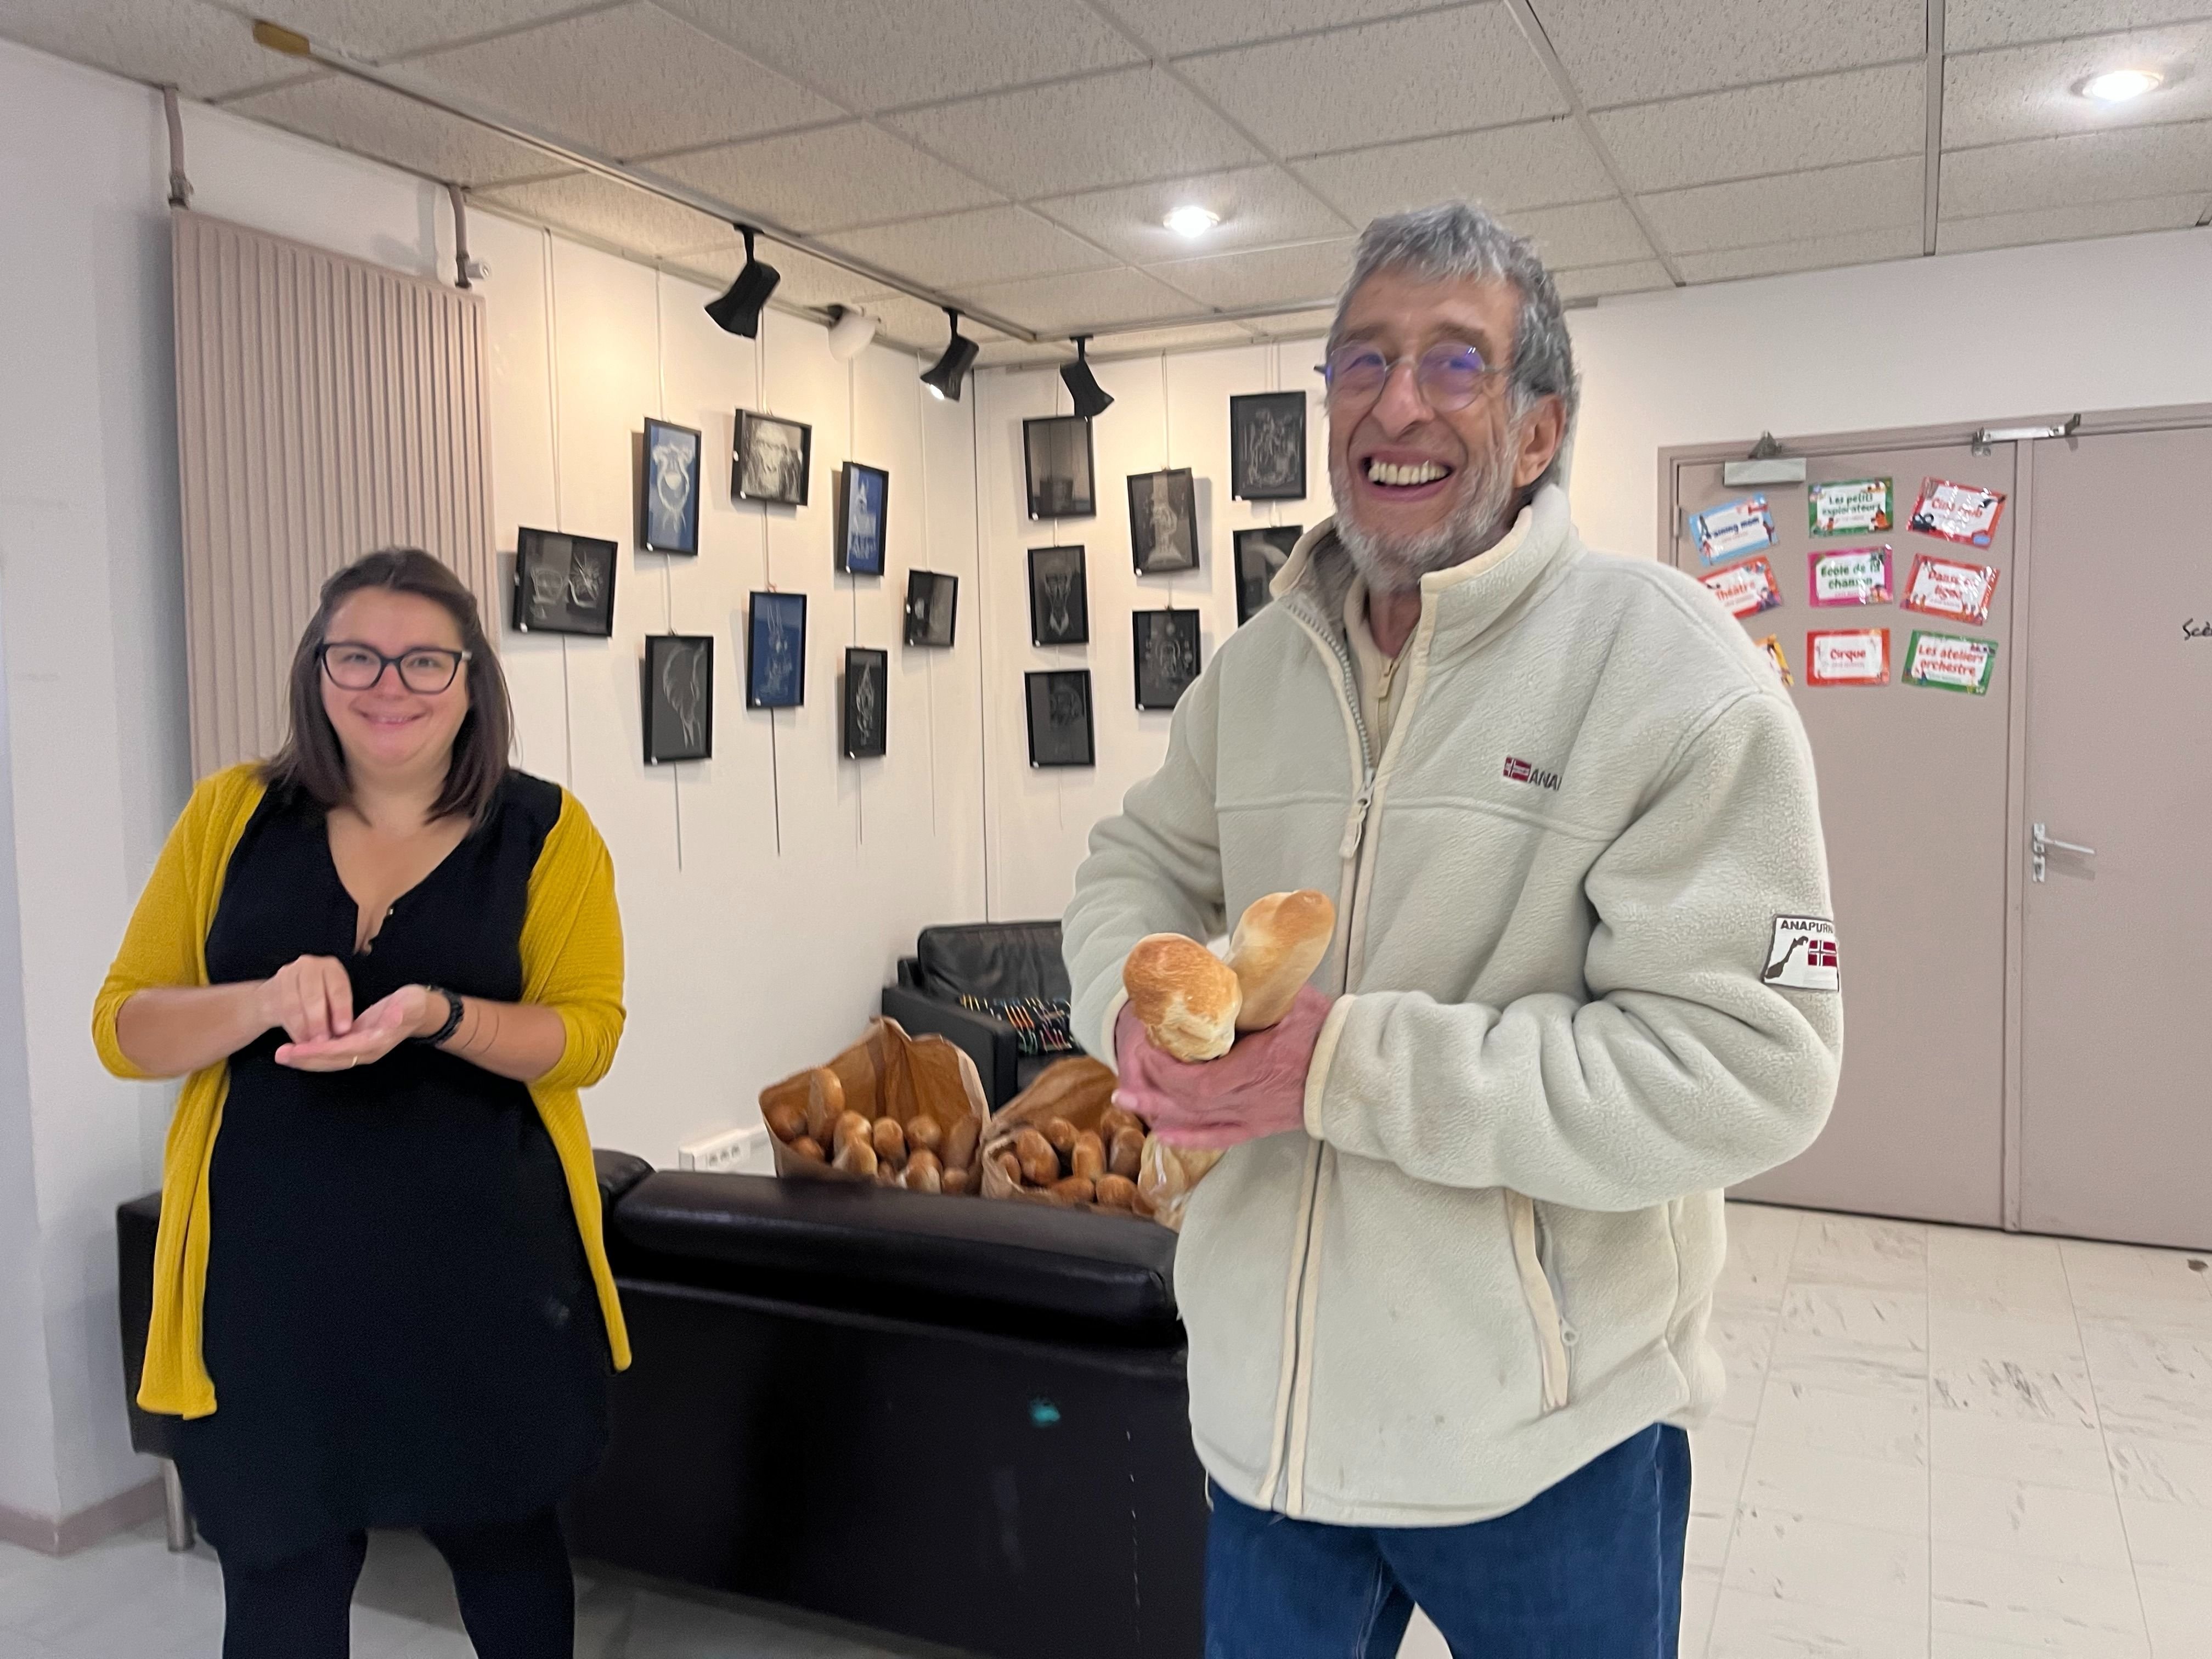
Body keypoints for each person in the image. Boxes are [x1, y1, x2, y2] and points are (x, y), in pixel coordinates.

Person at [1064, 202, 1843, 1657]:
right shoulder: (1253, 674)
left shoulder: (1675, 676)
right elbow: (1135, 867)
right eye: (1360, 361)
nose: (1396, 401)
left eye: (1454, 363)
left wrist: (1337, 1071)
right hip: (1269, 1437)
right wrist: (1128, 992)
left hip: (1545, 1452)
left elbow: (1754, 1069)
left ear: (1542, 430)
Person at [93, 550, 628, 1659]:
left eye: (426, 659)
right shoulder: (230, 815)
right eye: (359, 656)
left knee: (506, 1550)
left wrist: (440, 1014)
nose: (391, 685)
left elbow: (584, 1038)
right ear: (317, 670)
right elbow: (125, 1028)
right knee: (280, 1570)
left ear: (472, 678)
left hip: (485, 1274)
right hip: (269, 1288)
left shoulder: (548, 832)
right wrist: (258, 1000)